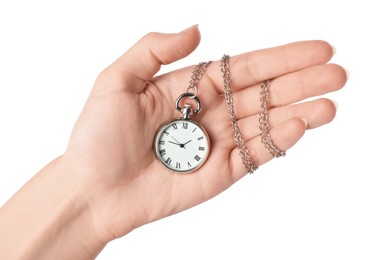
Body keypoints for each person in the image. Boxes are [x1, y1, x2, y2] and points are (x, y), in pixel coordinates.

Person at [0, 25, 347, 259]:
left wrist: (82, 196)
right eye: (178, 147)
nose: (181, 146)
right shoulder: (165, 134)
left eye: (182, 146)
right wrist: (82, 187)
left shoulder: (189, 130)